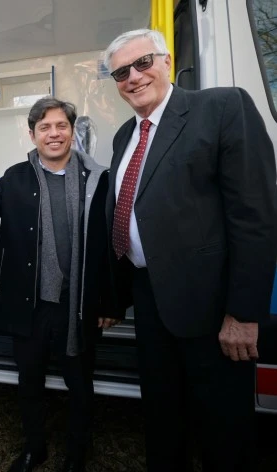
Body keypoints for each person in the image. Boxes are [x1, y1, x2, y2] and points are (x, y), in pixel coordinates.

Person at [103, 29, 277, 471]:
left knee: (224, 430)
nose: (134, 77)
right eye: (121, 72)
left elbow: (254, 216)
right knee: (162, 419)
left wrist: (243, 313)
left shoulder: (221, 107)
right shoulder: (125, 134)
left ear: (164, 61)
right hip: (150, 299)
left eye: (142, 63)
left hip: (212, 308)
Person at [0, 97, 119, 472]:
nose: (54, 134)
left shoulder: (98, 178)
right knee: (29, 382)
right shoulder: (16, 177)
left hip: (77, 304)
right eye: (45, 127)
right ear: (32, 134)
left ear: (71, 130)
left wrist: (110, 303)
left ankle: (77, 453)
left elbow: (109, 244)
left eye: (61, 126)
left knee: (80, 386)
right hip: (30, 304)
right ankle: (35, 447)